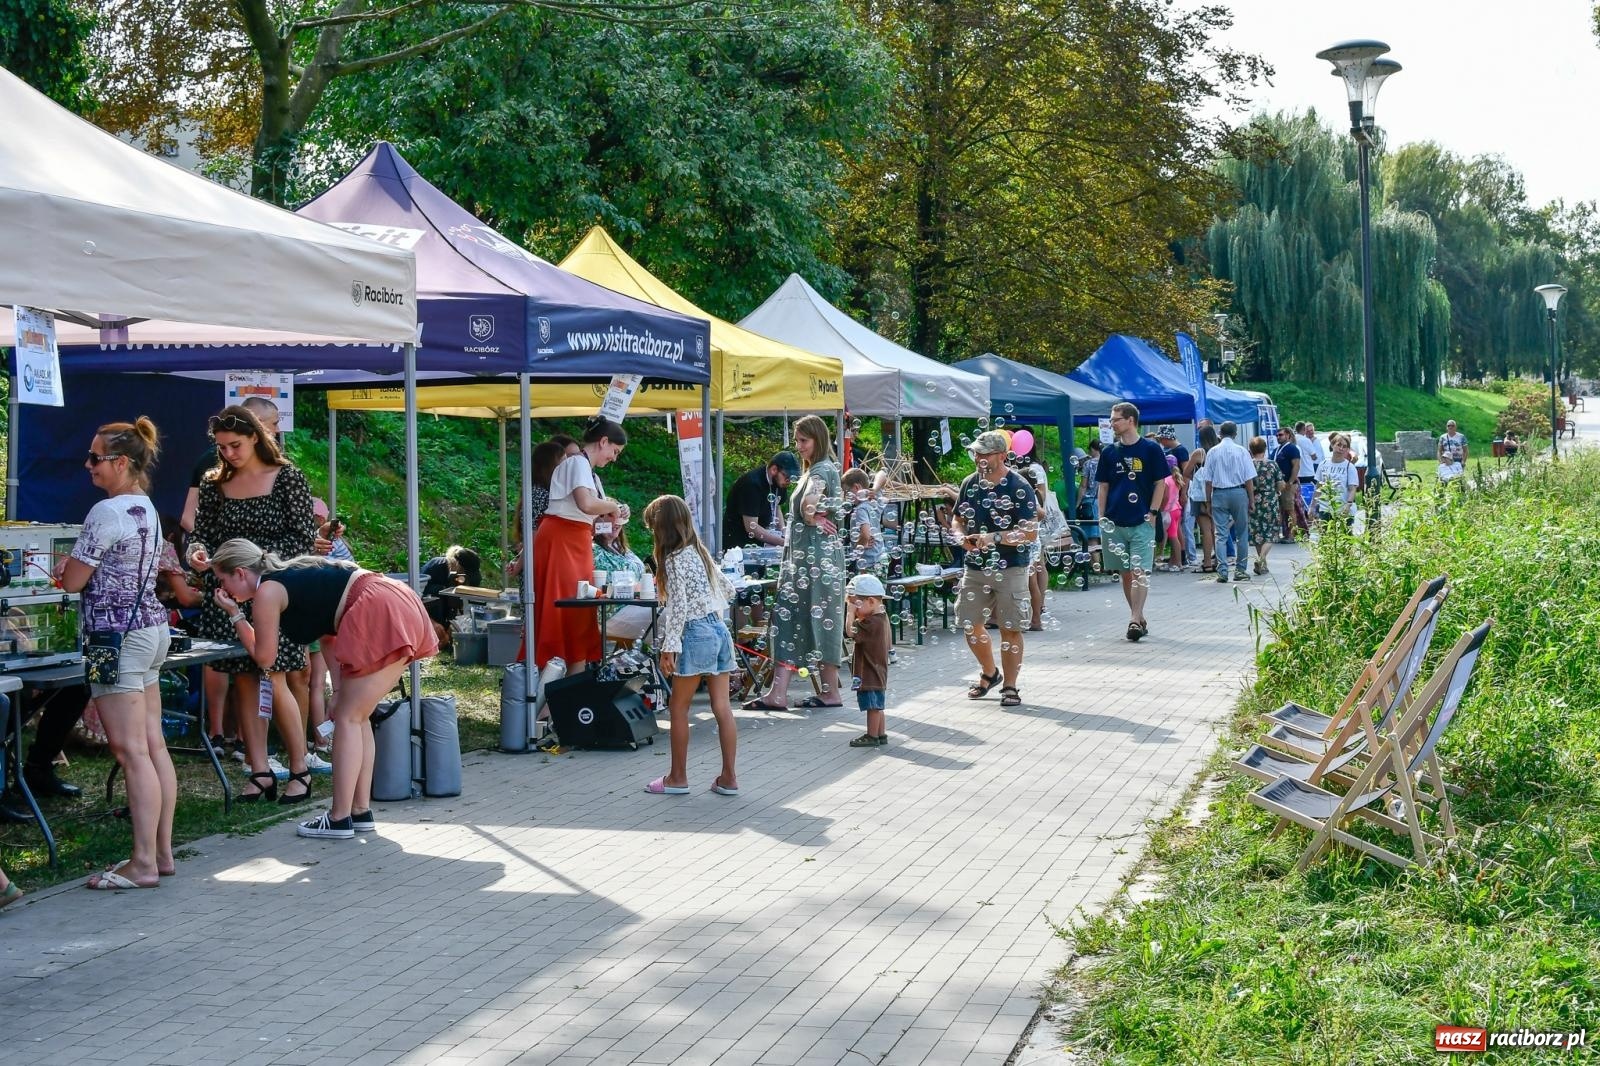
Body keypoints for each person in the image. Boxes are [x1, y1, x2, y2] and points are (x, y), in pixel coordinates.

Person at [208, 540, 438, 838]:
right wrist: (339, 690)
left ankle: (339, 817)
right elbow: (329, 633)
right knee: (357, 717)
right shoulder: (294, 575)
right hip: (392, 598)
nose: (225, 590)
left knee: (348, 719)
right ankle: (359, 810)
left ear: (239, 573)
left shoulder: (268, 590)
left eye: (223, 580)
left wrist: (236, 615)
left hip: (377, 606)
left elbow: (265, 657)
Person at [54, 417, 176, 889]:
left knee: (130, 752)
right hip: (149, 629)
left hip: (115, 637)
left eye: (95, 458)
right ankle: (161, 853)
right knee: (153, 745)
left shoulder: (104, 513)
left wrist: (67, 567)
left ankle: (142, 862)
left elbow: (73, 582)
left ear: (121, 462)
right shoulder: (143, 505)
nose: (88, 466)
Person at [185, 405, 317, 804]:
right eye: (222, 447)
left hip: (274, 593)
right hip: (227, 595)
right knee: (243, 680)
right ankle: (259, 770)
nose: (228, 453)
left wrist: (257, 564)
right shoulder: (213, 484)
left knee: (274, 676)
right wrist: (196, 553)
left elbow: (303, 540)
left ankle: (300, 768)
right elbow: (202, 534)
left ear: (257, 438)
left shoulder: (287, 477)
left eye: (235, 445)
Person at [743, 415, 848, 711]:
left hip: (815, 563)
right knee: (790, 620)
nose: (799, 446)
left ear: (818, 439)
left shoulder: (821, 470)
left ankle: (826, 692)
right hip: (806, 562)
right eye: (798, 440)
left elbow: (809, 502)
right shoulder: (817, 470)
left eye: (804, 440)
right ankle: (781, 693)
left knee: (810, 619)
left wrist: (810, 512)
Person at [641, 495, 739, 796]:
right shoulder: (699, 552)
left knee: (678, 707)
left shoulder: (672, 560)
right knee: (722, 707)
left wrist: (669, 648)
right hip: (719, 629)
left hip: (694, 633)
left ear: (661, 528)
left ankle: (677, 778)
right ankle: (729, 779)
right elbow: (729, 589)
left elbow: (678, 609)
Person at [533, 419, 629, 674]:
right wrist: (611, 507)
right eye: (615, 452)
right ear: (603, 441)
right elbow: (586, 504)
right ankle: (549, 687)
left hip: (576, 541)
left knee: (580, 611)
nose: (614, 458)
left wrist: (615, 515)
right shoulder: (577, 462)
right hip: (561, 540)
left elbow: (592, 521)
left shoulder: (589, 472)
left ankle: (571, 688)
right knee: (563, 608)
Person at [952, 431, 1039, 706]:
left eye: (983, 454)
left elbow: (1030, 533)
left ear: (1002, 456)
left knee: (1010, 628)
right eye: (976, 453)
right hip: (975, 566)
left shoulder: (1019, 486)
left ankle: (1010, 687)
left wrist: (994, 538)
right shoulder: (970, 483)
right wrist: (959, 537)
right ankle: (990, 673)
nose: (978, 458)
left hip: (1011, 566)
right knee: (969, 622)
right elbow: (957, 519)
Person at [1098, 402, 1167, 642]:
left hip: (1141, 520)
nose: (1112, 423)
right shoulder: (1109, 452)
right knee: (1126, 573)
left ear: (1130, 420)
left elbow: (1161, 482)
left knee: (1140, 572)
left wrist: (1154, 512)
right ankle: (1138, 616)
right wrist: (1101, 516)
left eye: (1116, 419)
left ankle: (1134, 620)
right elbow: (1103, 487)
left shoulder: (1151, 449)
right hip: (1115, 521)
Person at [508, 435, 579, 579]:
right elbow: (534, 539)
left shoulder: (543, 492)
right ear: (550, 466)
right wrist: (518, 566)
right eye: (564, 462)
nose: (568, 467)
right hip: (541, 569)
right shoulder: (540, 495)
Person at [1204, 421, 1256, 583]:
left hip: (1219, 493)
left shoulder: (1212, 452)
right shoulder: (1241, 451)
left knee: (1220, 534)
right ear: (1235, 434)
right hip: (1239, 492)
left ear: (1219, 434)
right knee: (1242, 533)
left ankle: (1222, 571)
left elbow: (1207, 480)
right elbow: (1248, 479)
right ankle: (1240, 570)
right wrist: (1251, 499)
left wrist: (1208, 500)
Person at [845, 573, 891, 747]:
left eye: (856, 604)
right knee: (878, 706)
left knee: (872, 707)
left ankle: (872, 736)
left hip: (869, 672)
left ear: (871, 602)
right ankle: (881, 734)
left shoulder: (870, 623)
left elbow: (850, 632)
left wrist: (850, 613)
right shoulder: (882, 617)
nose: (854, 609)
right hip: (878, 670)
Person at [723, 451, 800, 551]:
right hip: (737, 546)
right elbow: (752, 527)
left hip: (759, 544)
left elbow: (776, 506)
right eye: (787, 476)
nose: (789, 481)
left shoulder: (780, 482)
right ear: (774, 469)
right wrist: (783, 543)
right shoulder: (752, 485)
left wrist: (783, 531)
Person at [1247, 436, 1285, 575]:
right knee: (1271, 533)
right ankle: (1261, 558)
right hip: (1270, 499)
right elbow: (1280, 484)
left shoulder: (1248, 464)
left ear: (1250, 450)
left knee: (1258, 532)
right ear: (1265, 448)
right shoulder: (1272, 464)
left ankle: (1262, 565)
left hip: (1254, 499)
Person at [842, 468, 885, 575]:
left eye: (847, 492)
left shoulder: (860, 509)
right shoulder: (873, 501)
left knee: (865, 591)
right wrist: (874, 489)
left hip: (868, 563)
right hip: (880, 558)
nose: (845, 496)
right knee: (878, 590)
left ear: (856, 487)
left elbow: (865, 534)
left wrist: (858, 546)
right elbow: (883, 473)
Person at [1316, 432, 1360, 529]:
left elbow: (1353, 489)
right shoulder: (1323, 464)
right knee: (1325, 537)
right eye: (1338, 445)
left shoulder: (1349, 467)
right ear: (1332, 445)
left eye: (1344, 446)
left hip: (1343, 508)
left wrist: (1348, 505)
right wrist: (1312, 506)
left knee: (1344, 537)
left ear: (1347, 449)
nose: (1341, 448)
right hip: (1325, 508)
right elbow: (1318, 486)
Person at [1272, 426, 1304, 540]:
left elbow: (1296, 465)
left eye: (1280, 435)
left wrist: (1290, 481)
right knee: (1278, 510)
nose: (1278, 437)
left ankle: (1292, 535)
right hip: (1278, 485)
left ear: (1288, 435)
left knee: (1290, 509)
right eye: (1277, 435)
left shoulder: (1292, 448)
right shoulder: (1276, 450)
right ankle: (1280, 533)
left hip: (1288, 484)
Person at [1437, 419, 1468, 484]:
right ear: (1446, 427)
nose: (1450, 427)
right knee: (1445, 478)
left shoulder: (1461, 437)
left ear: (1455, 427)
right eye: (1449, 426)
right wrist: (1441, 462)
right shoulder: (1443, 437)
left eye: (1452, 425)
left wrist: (1463, 461)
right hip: (1447, 461)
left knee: (1458, 479)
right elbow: (1439, 451)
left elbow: (1465, 451)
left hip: (1458, 461)